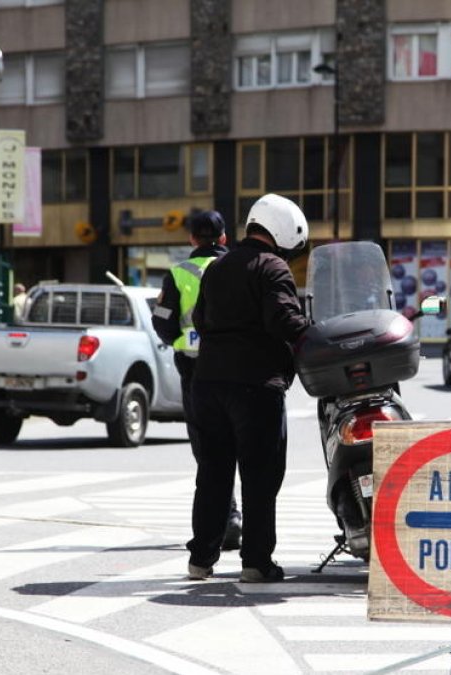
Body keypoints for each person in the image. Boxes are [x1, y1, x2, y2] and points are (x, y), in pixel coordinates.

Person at [186, 193, 310, 583]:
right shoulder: (272, 267)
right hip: (255, 385)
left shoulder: (217, 268)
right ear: (283, 232)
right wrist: (316, 336)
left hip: (207, 382)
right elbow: (284, 321)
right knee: (259, 476)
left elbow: (200, 320)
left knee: (213, 473)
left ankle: (201, 559)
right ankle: (256, 562)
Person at [151, 210, 242, 550]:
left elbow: (163, 323)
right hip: (238, 370)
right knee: (241, 445)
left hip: (196, 373)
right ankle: (237, 519)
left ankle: (225, 517)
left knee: (208, 451)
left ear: (191, 239)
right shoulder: (238, 268)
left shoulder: (178, 274)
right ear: (223, 238)